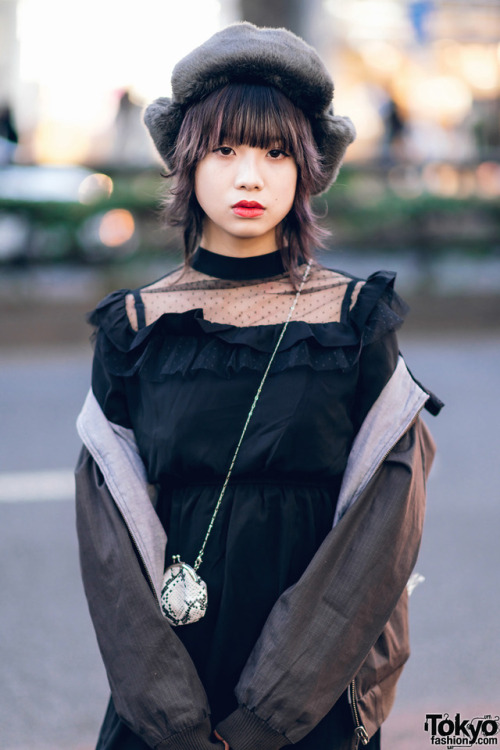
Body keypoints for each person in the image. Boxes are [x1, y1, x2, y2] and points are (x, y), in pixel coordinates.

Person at [75, 22, 443, 750]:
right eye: (226, 149)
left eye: (277, 152)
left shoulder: (355, 320)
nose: (251, 176)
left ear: (308, 168)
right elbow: (109, 549)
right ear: (186, 162)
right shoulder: (135, 328)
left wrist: (272, 714)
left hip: (314, 690)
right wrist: (172, 718)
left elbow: (383, 532)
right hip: (170, 686)